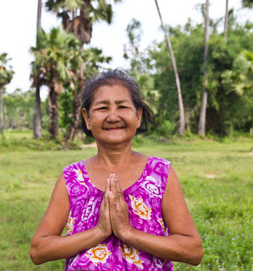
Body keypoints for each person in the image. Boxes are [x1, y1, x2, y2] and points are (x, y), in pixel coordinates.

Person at [30, 69, 203, 270]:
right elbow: (39, 250)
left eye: (122, 106)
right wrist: (99, 231)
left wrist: (127, 231)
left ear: (138, 116)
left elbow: (193, 251)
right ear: (87, 118)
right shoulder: (72, 178)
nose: (113, 116)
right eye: (102, 108)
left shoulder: (160, 174)